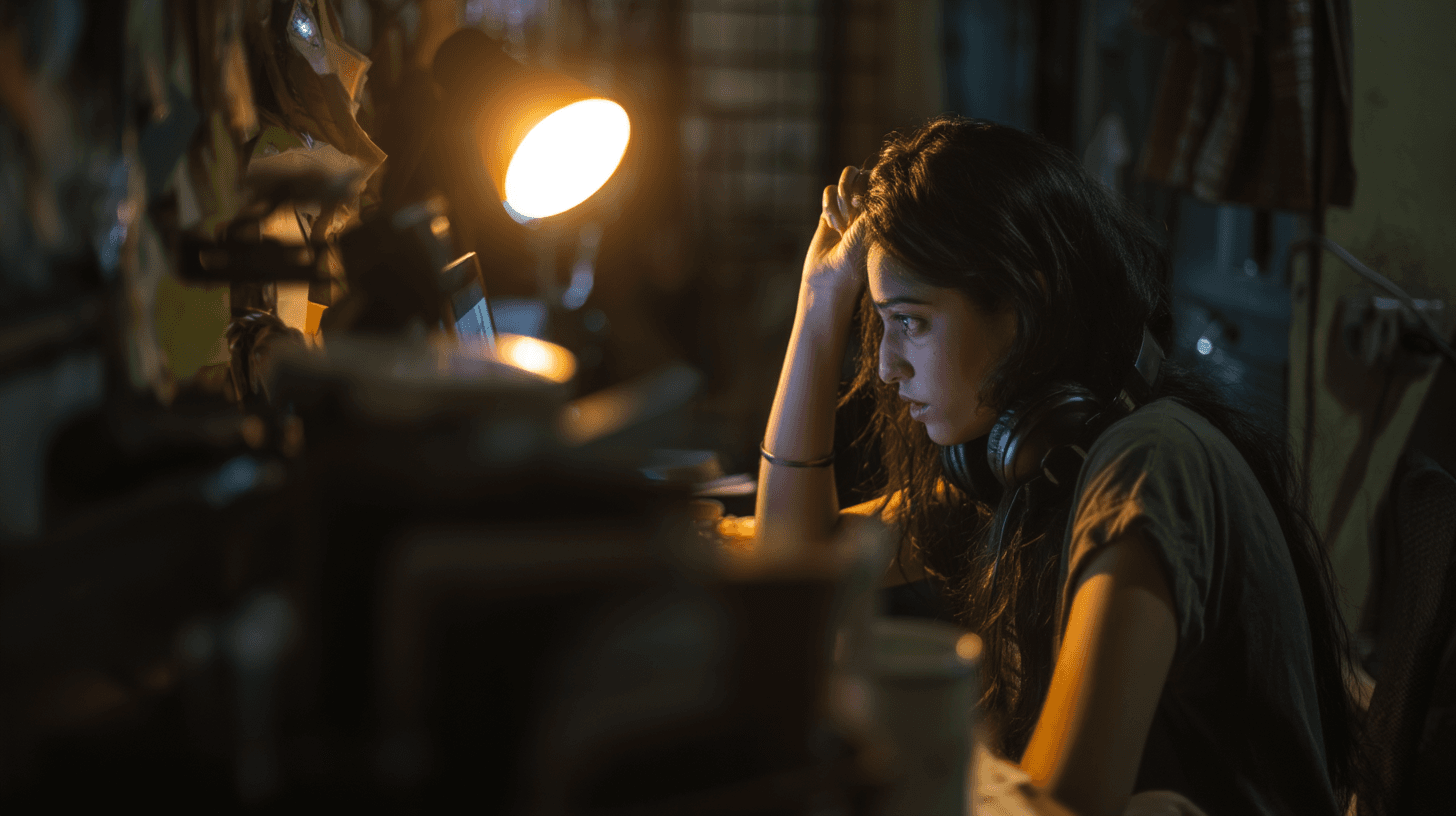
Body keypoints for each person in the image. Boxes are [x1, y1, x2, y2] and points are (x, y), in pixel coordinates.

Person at [754, 116, 1360, 816]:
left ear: (1023, 302)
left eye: (911, 321)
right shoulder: (1030, 464)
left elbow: (1056, 807)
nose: (887, 368)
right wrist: (822, 302)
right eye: (881, 323)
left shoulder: (1144, 468)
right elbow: (794, 568)